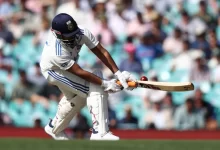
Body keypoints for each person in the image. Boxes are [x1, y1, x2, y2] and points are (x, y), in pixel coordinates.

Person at [39, 13, 136, 140]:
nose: (74, 38)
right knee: (95, 87)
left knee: (80, 96)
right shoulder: (56, 52)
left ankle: (54, 127)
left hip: (69, 66)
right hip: (53, 70)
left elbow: (101, 51)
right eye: (69, 36)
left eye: (74, 33)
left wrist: (118, 73)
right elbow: (78, 72)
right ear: (58, 34)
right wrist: (106, 84)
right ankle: (99, 132)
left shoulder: (81, 32)